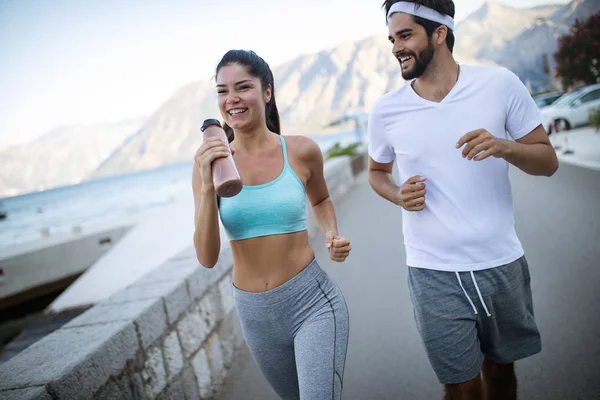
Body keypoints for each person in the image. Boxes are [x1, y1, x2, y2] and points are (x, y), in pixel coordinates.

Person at [368, 1, 559, 399]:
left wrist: (505, 146)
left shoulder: (500, 84)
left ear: (439, 33)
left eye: (405, 36)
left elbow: (548, 161)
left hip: (500, 262)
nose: (395, 48)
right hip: (432, 270)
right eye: (392, 39)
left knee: (501, 372)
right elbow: (376, 172)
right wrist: (398, 195)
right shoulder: (387, 110)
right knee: (461, 386)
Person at [192, 49, 351, 400]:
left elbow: (321, 199)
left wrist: (331, 233)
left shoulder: (300, 151)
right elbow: (206, 257)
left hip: (312, 302)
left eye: (242, 87)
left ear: (267, 92)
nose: (231, 99)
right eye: (222, 90)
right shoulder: (212, 167)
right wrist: (206, 185)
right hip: (255, 316)